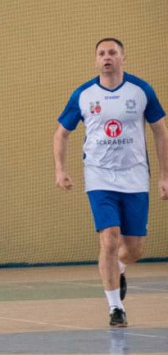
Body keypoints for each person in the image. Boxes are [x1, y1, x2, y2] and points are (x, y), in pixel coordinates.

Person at [53, 37, 168, 327]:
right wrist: (60, 169)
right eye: (102, 53)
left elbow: (160, 131)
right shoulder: (84, 94)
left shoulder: (141, 90)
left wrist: (164, 175)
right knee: (110, 237)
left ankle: (118, 267)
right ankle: (115, 307)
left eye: (112, 53)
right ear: (96, 60)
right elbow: (61, 133)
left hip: (135, 176)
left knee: (134, 250)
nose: (107, 57)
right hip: (99, 175)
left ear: (122, 58)